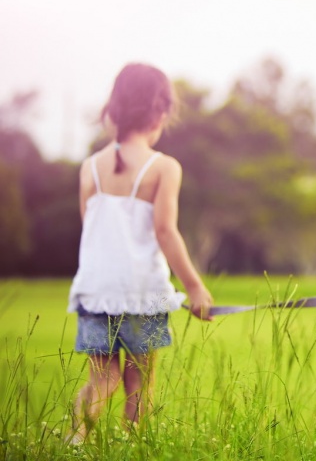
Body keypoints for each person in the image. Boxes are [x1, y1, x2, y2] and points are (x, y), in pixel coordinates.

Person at [67, 63, 214, 443]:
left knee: (103, 378)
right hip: (142, 294)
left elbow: (91, 231)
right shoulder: (163, 167)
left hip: (96, 291)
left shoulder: (90, 168)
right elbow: (165, 231)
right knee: (139, 384)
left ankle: (75, 440)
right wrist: (194, 287)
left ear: (112, 111)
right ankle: (135, 448)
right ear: (160, 114)